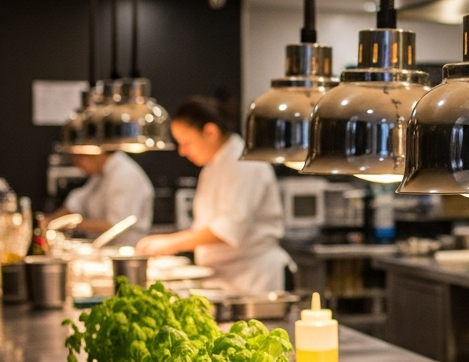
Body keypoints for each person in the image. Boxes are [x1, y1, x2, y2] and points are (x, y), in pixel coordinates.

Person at [135, 97, 291, 293]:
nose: (182, 151)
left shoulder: (243, 163)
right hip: (223, 275)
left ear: (210, 132)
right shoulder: (214, 164)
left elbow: (229, 228)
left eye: (186, 142)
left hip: (252, 277)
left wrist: (170, 243)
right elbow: (207, 226)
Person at [50, 151, 153, 245]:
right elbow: (77, 202)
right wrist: (50, 221)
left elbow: (113, 224)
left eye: (78, 158)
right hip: (104, 250)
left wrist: (70, 224)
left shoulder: (124, 175)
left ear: (95, 153)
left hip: (125, 250)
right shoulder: (100, 173)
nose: (77, 165)